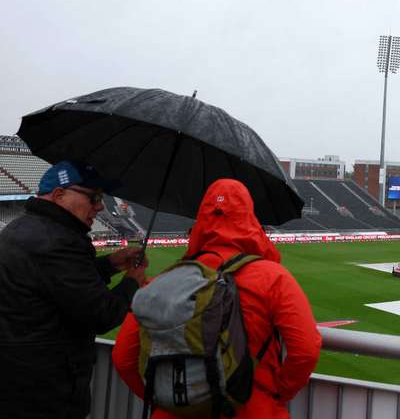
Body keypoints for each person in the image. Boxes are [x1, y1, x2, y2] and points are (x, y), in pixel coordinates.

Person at [113, 178, 321, 418]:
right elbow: (305, 350)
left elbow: (122, 359)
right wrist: (277, 393)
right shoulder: (273, 277)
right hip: (252, 409)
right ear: (248, 218)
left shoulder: (162, 282)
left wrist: (162, 399)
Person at [0, 160, 148, 419]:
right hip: (45, 393)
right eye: (93, 197)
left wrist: (110, 264)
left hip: (15, 382)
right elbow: (102, 313)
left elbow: (57, 283)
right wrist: (133, 281)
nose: (100, 206)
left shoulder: (21, 228)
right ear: (59, 195)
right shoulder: (59, 241)